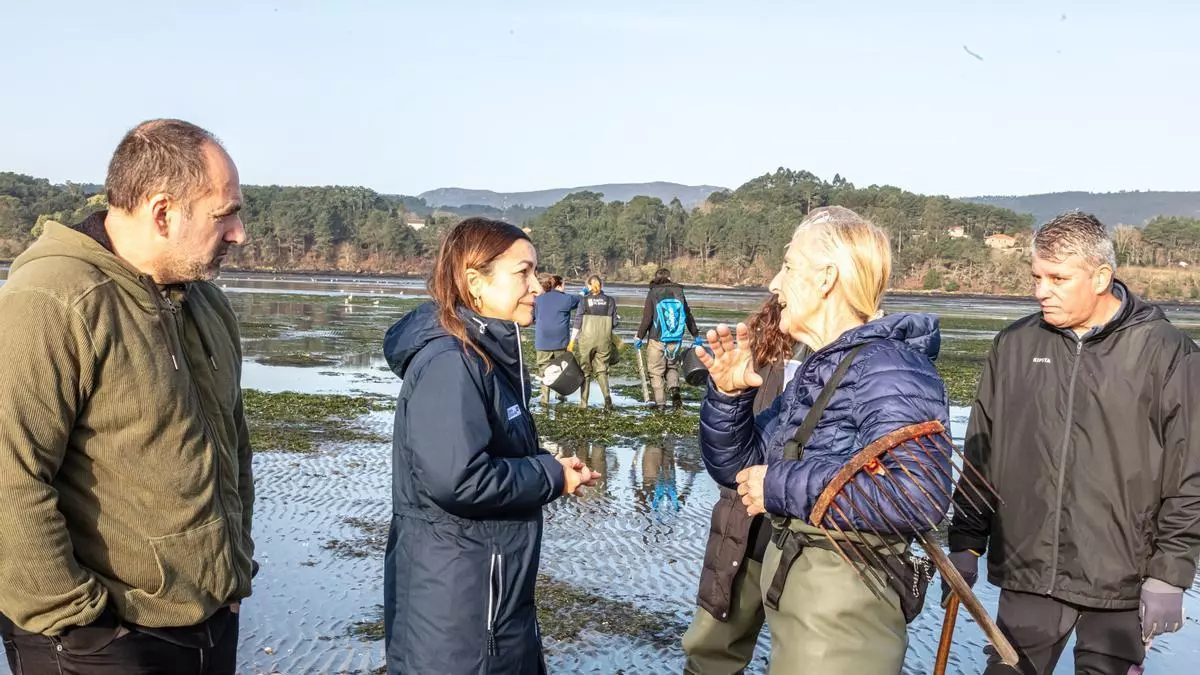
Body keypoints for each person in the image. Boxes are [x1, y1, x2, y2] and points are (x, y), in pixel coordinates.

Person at [0, 119, 254, 674]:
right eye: (224, 214)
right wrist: (76, 619)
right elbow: (10, 478)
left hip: (208, 625)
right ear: (163, 212)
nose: (239, 233)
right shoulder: (53, 301)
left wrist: (235, 575)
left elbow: (235, 446)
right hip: (98, 641)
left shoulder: (206, 304)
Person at [696, 206, 951, 674]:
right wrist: (729, 398)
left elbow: (917, 494)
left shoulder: (889, 367)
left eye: (788, 266)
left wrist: (778, 486)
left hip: (845, 614)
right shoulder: (824, 366)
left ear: (827, 278)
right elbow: (743, 471)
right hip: (804, 602)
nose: (774, 282)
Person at [946, 212, 1200, 675]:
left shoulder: (1167, 353)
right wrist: (966, 542)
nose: (1041, 291)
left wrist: (1170, 572)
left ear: (1100, 277)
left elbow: (1191, 474)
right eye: (1037, 277)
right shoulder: (1014, 346)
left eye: (1057, 278)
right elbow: (982, 454)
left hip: (1122, 578)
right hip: (1027, 569)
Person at [382, 217, 600, 674]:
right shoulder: (450, 362)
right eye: (523, 273)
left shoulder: (485, 355)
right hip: (461, 618)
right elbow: (460, 479)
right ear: (475, 281)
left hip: (492, 602)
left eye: (535, 272)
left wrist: (550, 466)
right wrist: (550, 475)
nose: (536, 287)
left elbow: (485, 458)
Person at [681, 295, 811, 675]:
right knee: (713, 653)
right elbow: (734, 460)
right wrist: (726, 396)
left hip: (811, 548)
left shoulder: (861, 365)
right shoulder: (754, 353)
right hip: (746, 532)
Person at [636, 267, 701, 411]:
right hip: (675, 339)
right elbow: (687, 315)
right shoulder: (679, 292)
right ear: (669, 277)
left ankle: (660, 404)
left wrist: (639, 336)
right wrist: (695, 334)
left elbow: (647, 318)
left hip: (657, 338)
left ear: (656, 278)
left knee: (656, 372)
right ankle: (675, 391)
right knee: (672, 367)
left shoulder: (653, 292)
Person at [569, 274, 619, 411]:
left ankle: (583, 403)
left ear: (588, 286)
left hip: (587, 340)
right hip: (604, 339)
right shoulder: (610, 301)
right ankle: (607, 398)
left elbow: (578, 322)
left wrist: (572, 341)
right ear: (601, 285)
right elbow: (614, 322)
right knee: (602, 370)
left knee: (585, 371)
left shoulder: (584, 300)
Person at [533, 273, 579, 406]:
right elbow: (580, 299)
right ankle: (560, 396)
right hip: (560, 341)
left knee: (543, 371)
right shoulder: (567, 299)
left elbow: (533, 316)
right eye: (564, 284)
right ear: (559, 285)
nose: (565, 287)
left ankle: (544, 399)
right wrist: (585, 291)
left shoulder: (539, 299)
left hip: (543, 341)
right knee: (562, 370)